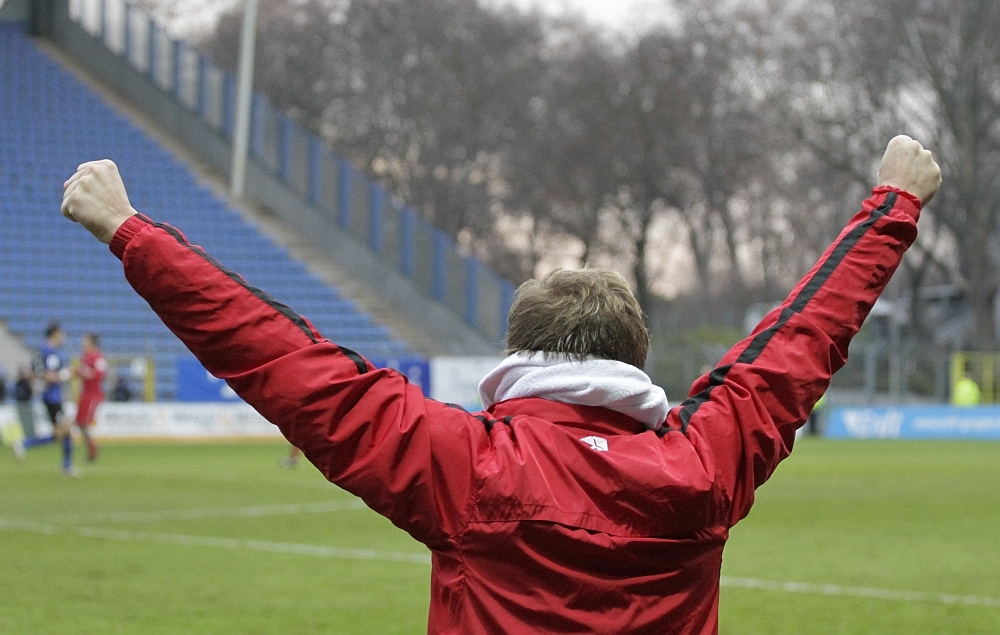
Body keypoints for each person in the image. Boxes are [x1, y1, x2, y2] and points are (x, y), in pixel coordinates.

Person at [60, 136, 940, 634]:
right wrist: (891, 206)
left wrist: (133, 233)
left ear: (516, 357)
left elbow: (288, 362)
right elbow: (795, 346)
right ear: (633, 360)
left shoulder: (468, 465)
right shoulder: (705, 463)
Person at [34, 321, 77, 476]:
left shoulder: (46, 350)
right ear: (54, 334)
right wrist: (65, 374)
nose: (62, 337)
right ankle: (67, 467)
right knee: (66, 431)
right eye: (60, 334)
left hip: (53, 398)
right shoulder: (50, 352)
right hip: (52, 398)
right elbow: (48, 376)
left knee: (60, 434)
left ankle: (24, 444)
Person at [74, 333, 107, 461]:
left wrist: (86, 373)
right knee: (80, 422)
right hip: (85, 393)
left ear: (92, 343)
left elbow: (100, 374)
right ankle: (91, 449)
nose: (82, 343)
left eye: (85, 341)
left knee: (85, 422)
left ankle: (93, 451)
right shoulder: (84, 357)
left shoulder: (98, 357)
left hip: (93, 394)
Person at [14, 367, 36, 447]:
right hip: (26, 404)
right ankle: (29, 439)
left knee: (24, 423)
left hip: (20, 403)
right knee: (28, 423)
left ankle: (27, 439)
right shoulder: (25, 383)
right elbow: (29, 392)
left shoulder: (18, 382)